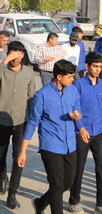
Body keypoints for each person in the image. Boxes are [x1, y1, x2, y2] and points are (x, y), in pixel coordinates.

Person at [18, 60, 82, 214]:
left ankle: (41, 203)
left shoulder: (72, 90)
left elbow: (77, 107)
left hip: (70, 144)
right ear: (59, 77)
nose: (72, 80)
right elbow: (32, 122)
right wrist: (23, 151)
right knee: (57, 184)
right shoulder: (42, 95)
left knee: (67, 182)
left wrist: (77, 115)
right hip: (50, 145)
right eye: (70, 77)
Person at [68, 52, 102, 214]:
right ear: (87, 66)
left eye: (100, 67)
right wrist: (80, 127)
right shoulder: (78, 85)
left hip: (99, 132)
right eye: (95, 66)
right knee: (79, 168)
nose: (98, 70)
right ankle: (74, 201)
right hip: (82, 132)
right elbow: (74, 107)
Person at [0, 41, 35, 209]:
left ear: (23, 55)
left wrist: (33, 120)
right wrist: (5, 61)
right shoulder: (2, 70)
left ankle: (12, 193)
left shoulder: (28, 72)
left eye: (19, 53)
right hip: (2, 120)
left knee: (18, 158)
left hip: (21, 121)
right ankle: (2, 176)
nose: (16, 56)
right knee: (1, 155)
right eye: (12, 52)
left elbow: (31, 97)